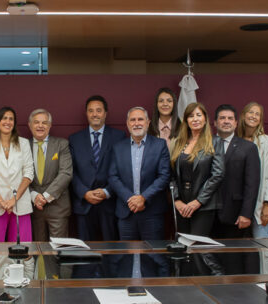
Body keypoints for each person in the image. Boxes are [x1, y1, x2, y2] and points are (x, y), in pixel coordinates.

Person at [109, 106, 171, 277]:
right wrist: (130, 198)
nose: (137, 123)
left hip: (151, 213)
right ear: (127, 124)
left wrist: (143, 198)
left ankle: (153, 295)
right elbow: (113, 177)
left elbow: (164, 176)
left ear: (148, 122)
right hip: (126, 212)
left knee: (154, 257)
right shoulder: (118, 147)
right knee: (125, 257)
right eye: (133, 120)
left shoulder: (159, 145)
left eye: (140, 119)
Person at [68, 95, 127, 241]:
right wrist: (84, 193)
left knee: (112, 252)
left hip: (109, 203)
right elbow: (71, 172)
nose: (95, 114)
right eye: (91, 111)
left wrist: (107, 191)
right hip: (83, 204)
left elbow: (123, 170)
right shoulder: (74, 139)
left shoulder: (119, 137)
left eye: (99, 110)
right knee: (86, 254)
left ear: (105, 113)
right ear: (86, 114)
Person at [212, 104, 260, 275]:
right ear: (215, 122)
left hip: (235, 214)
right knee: (211, 260)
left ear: (236, 122)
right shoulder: (205, 145)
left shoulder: (248, 148)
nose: (226, 121)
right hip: (208, 213)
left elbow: (252, 184)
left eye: (230, 118)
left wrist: (246, 213)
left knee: (234, 261)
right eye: (222, 118)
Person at [0, 107, 34, 242]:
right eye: (4, 118)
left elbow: (28, 173)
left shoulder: (24, 143)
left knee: (22, 250)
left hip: (20, 203)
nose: (7, 122)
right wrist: (1, 201)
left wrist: (14, 200)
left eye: (11, 119)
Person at [169, 103, 223, 236]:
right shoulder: (178, 142)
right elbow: (171, 176)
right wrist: (176, 200)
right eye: (191, 116)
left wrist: (198, 201)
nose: (195, 119)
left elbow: (218, 174)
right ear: (186, 120)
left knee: (197, 246)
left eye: (199, 115)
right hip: (182, 205)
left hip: (203, 205)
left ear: (205, 119)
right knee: (183, 246)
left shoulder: (215, 141)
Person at [237, 102, 268, 239]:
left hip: (259, 203)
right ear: (243, 116)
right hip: (237, 202)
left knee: (265, 248)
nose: (253, 116)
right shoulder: (234, 140)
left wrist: (267, 204)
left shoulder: (267, 142)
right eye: (251, 112)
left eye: (257, 114)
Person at [28, 108, 73, 241]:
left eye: (44, 122)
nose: (40, 126)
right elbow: (19, 176)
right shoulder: (23, 145)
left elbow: (66, 173)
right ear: (30, 125)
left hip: (57, 207)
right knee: (38, 251)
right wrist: (34, 196)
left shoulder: (61, 144)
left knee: (58, 251)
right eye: (36, 122)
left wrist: (45, 197)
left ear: (50, 125)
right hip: (33, 208)